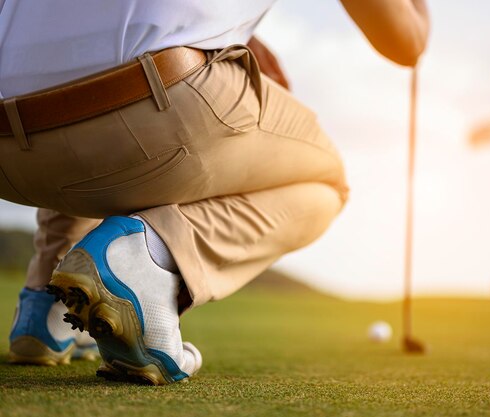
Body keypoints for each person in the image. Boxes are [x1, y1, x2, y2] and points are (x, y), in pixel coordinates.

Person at [0, 0, 430, 384]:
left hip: (11, 158)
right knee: (328, 181)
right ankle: (144, 260)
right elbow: (403, 40)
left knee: (77, 86)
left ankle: (45, 308)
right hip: (139, 113)